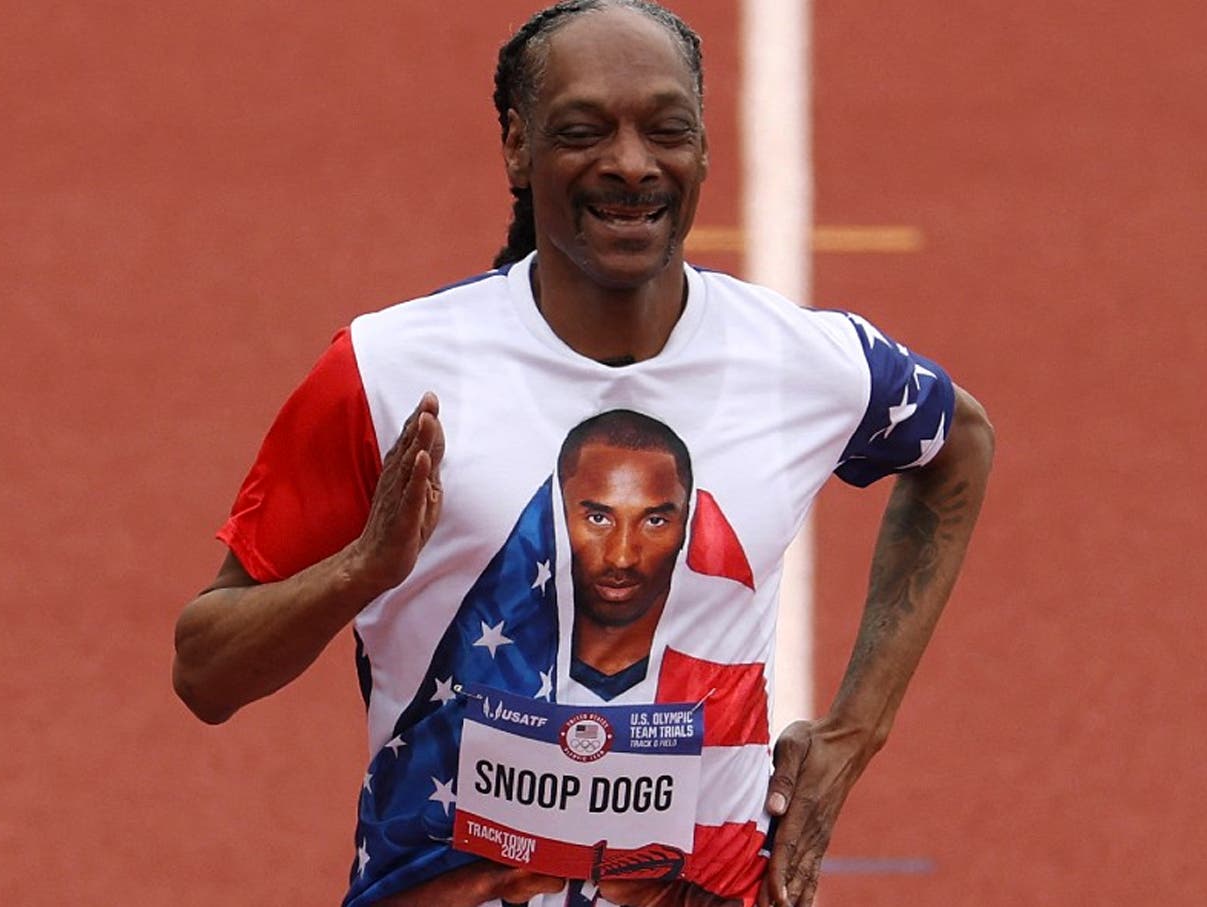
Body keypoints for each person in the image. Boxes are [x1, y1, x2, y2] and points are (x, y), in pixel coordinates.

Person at [170, 2, 995, 906]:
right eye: (583, 131)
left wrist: (852, 735)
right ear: (517, 146)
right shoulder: (387, 372)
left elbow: (958, 445)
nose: (632, 164)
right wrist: (362, 569)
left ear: (704, 148)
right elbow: (205, 672)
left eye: (667, 129)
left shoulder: (801, 361)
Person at [558, 410, 692, 699]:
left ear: (685, 522)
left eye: (654, 521)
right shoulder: (497, 659)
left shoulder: (716, 666)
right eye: (598, 519)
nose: (621, 558)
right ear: (557, 513)